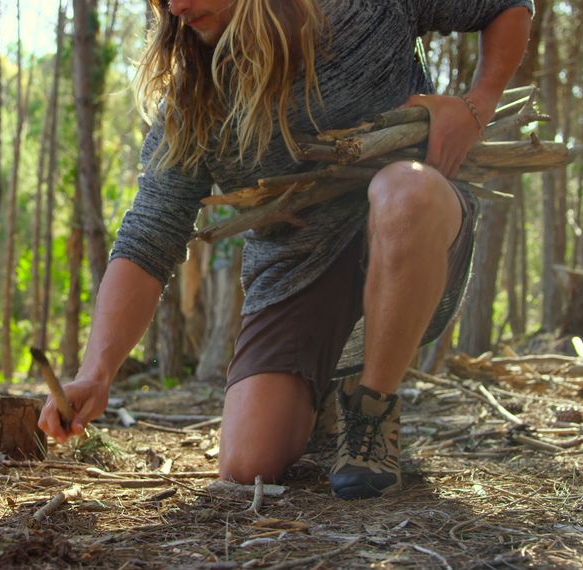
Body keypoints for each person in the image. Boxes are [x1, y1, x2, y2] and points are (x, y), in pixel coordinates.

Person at [39, 0, 534, 500]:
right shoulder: (194, 97)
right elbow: (149, 236)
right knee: (247, 464)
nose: (177, 7)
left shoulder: (364, 9)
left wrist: (478, 104)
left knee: (404, 190)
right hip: (296, 267)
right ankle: (320, 397)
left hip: (415, 228)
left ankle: (372, 412)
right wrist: (95, 373)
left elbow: (510, 6)